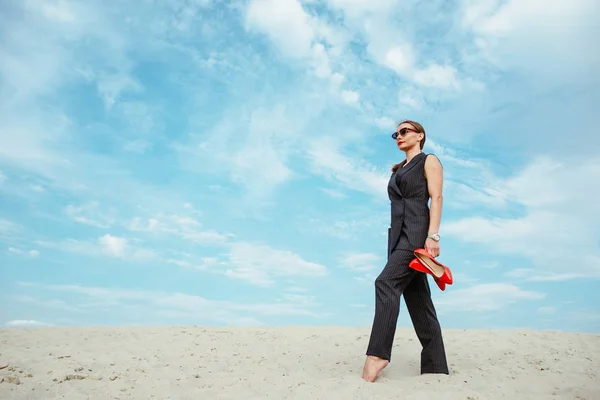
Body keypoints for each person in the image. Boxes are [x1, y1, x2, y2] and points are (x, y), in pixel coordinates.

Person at [361, 120, 449, 382]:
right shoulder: (398, 168)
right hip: (396, 237)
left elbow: (437, 198)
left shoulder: (428, 160)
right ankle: (435, 367)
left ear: (420, 135)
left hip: (415, 235)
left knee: (385, 282)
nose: (398, 136)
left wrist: (432, 236)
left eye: (404, 131)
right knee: (418, 299)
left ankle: (378, 355)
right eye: (395, 134)